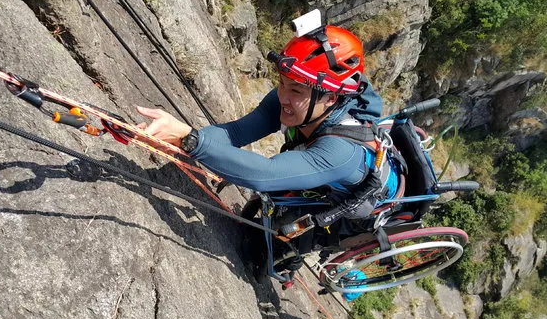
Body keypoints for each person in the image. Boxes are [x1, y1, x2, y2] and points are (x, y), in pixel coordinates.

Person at [135, 25, 402, 279]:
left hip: (344, 206)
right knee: (269, 201)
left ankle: (282, 260)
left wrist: (191, 141)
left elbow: (266, 174)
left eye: (295, 89)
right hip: (313, 170)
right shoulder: (303, 99)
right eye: (282, 82)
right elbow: (236, 133)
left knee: (266, 249)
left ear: (331, 98)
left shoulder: (341, 152)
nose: (282, 96)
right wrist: (189, 139)